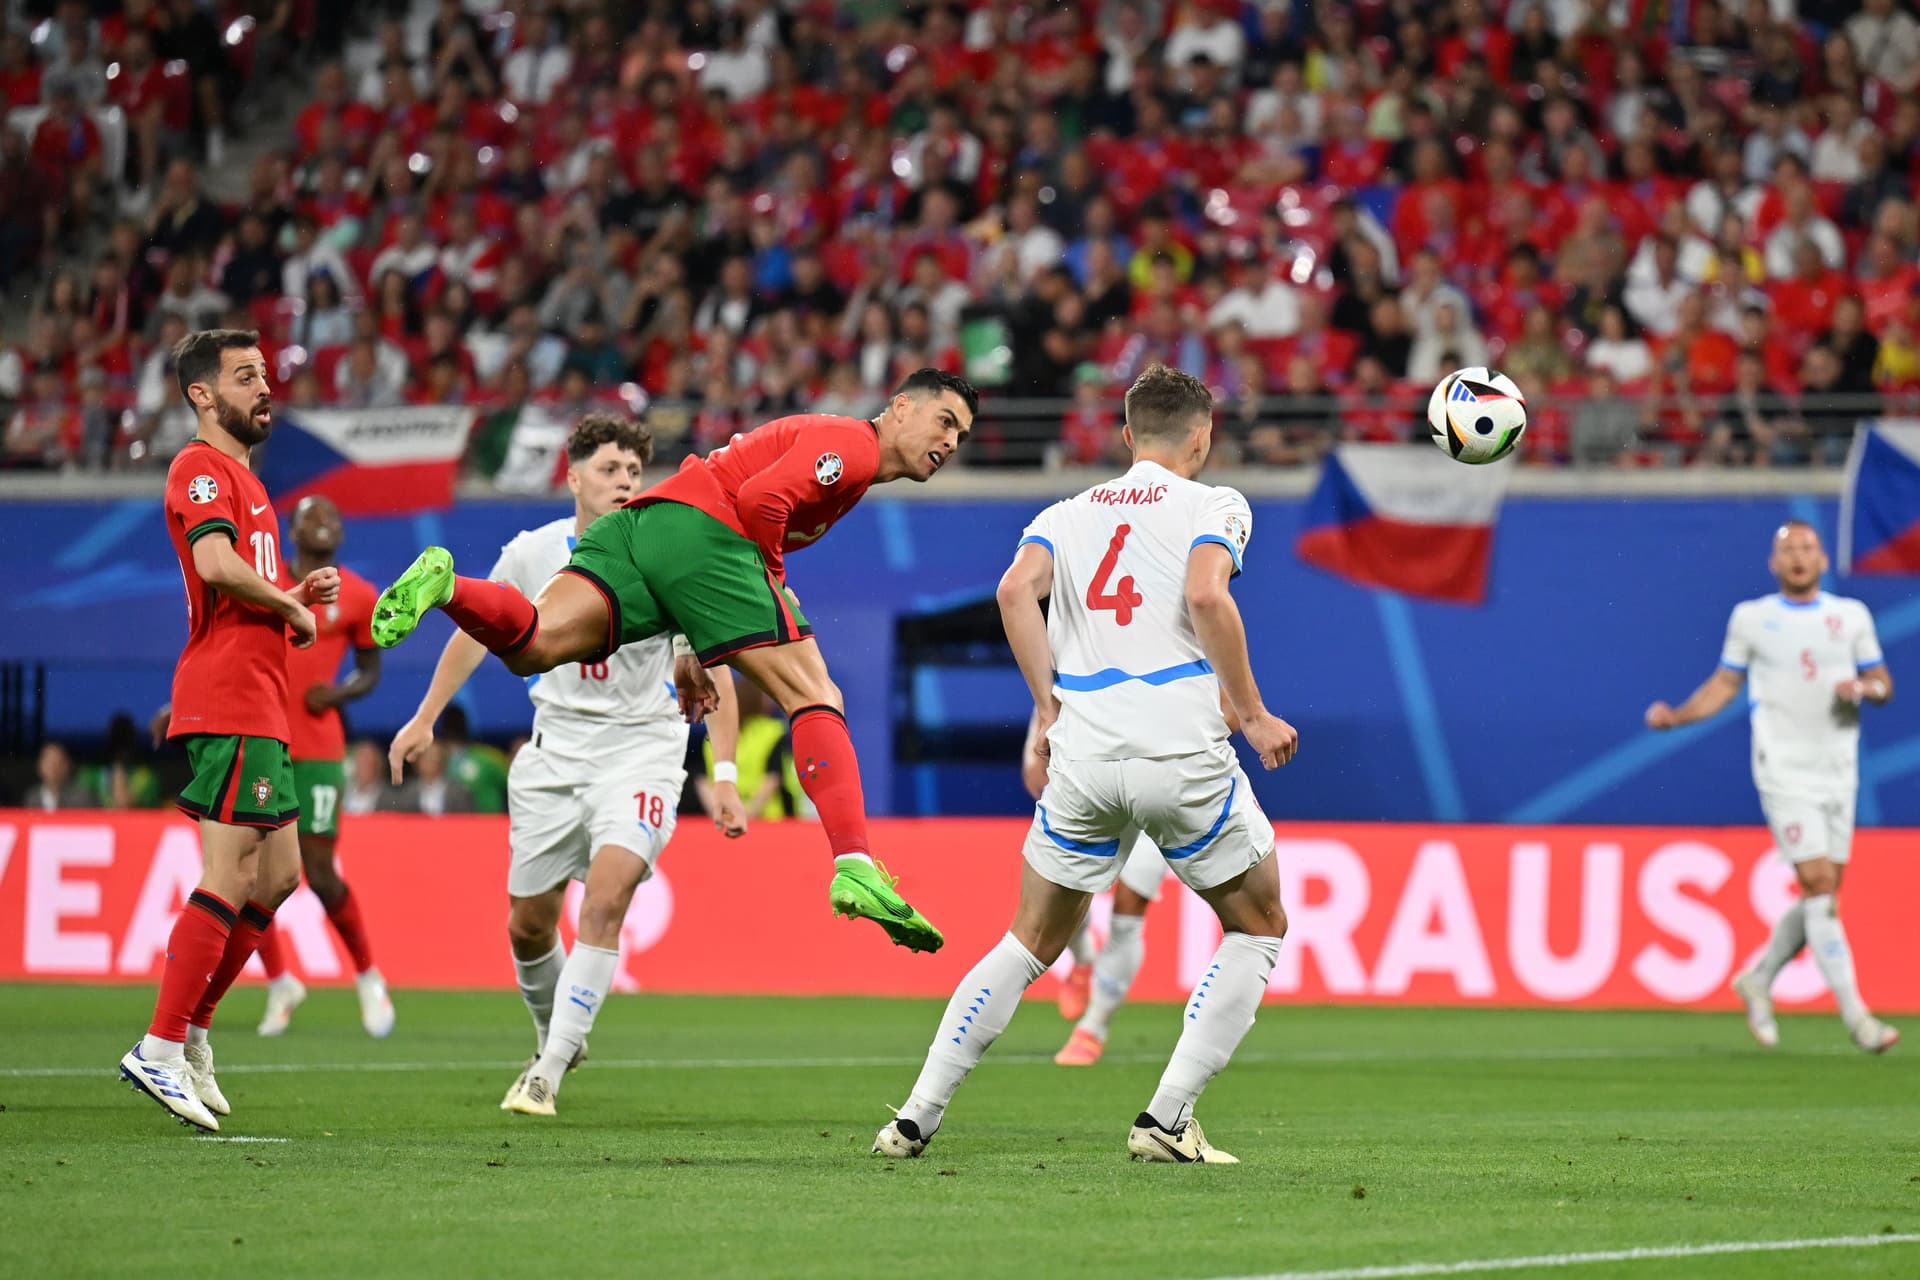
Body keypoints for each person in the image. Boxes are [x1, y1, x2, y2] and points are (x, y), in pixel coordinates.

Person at [374, 369, 978, 954]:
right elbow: (761, 499)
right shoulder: (852, 445)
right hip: (707, 533)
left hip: (641, 528)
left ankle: (449, 585)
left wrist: (695, 637)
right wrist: (769, 582)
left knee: (535, 643)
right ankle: (855, 865)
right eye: (944, 421)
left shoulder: (845, 453)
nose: (950, 442)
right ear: (901, 408)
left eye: (962, 436)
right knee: (816, 694)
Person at [874, 365, 1298, 1165]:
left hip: (1087, 752)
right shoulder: (1215, 504)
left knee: (1029, 940)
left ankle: (915, 1118)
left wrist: (1046, 706)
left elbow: (1012, 592)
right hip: (1177, 749)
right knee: (1258, 925)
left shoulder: (1065, 513)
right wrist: (1250, 712)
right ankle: (1166, 1120)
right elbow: (1208, 596)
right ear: (1202, 437)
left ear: (1128, 435)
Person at [385, 415, 750, 1117]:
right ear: (573, 475)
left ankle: (546, 1070)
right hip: (555, 752)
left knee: (608, 897)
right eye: (610, 469)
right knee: (528, 924)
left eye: (634, 472)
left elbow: (716, 673)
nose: (624, 482)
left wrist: (726, 778)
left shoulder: (666, 550)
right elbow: (479, 632)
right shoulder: (533, 553)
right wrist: (426, 715)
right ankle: (556, 1034)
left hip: (643, 751)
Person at [120, 328, 339, 1133]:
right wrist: (286, 603)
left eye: (265, 373)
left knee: (277, 876)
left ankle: (195, 1030)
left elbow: (242, 579)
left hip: (263, 698)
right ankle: (159, 1045)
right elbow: (213, 568)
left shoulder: (249, 482)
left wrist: (290, 588)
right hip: (228, 696)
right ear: (201, 395)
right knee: (227, 870)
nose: (264, 386)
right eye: (245, 376)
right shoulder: (200, 469)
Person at [1645, 521, 1898, 1055]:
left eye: (1807, 548)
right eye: (1788, 550)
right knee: (1820, 884)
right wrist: (1678, 717)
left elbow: (1883, 684)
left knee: (1821, 892)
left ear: (1823, 561)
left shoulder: (1849, 617)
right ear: (1773, 564)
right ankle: (1859, 1019)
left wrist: (1865, 688)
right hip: (1783, 766)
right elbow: (1724, 684)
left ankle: (1758, 978)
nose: (1798, 557)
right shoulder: (1753, 618)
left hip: (1838, 767)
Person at [253, 496, 393, 1040]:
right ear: (291, 531)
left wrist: (335, 693)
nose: (326, 525)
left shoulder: (357, 595)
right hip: (261, 740)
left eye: (334, 517)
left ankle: (367, 975)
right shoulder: (263, 582)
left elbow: (370, 670)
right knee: (248, 875)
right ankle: (280, 981)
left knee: (319, 872)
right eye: (314, 517)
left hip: (315, 748)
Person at [1025, 708, 1168, 1067]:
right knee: (1069, 891)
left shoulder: (1184, 656)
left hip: (1159, 792)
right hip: (1094, 782)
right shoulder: (1083, 657)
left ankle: (1093, 1028)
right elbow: (1052, 693)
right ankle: (1085, 958)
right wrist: (1035, 750)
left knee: (1129, 910)